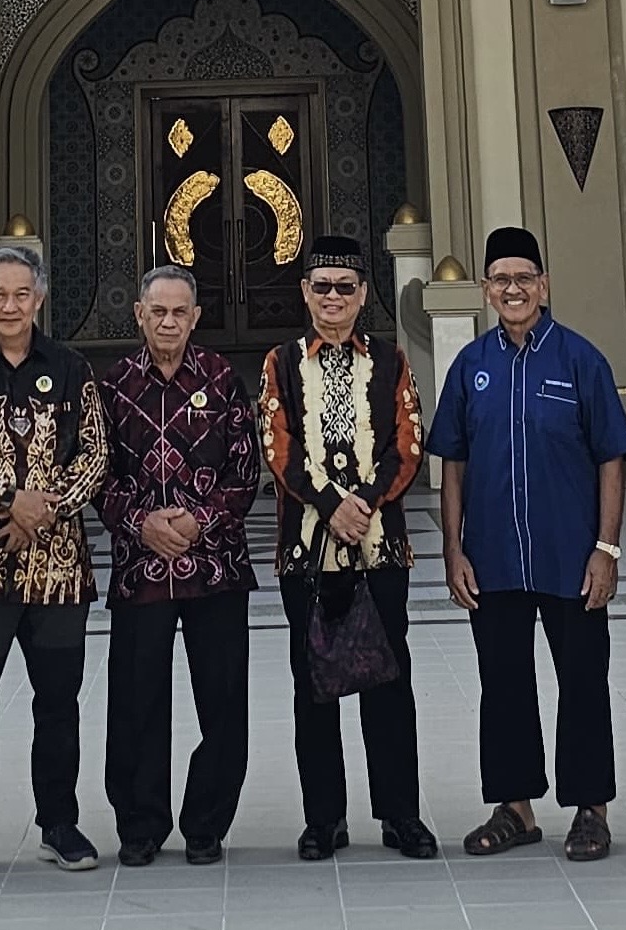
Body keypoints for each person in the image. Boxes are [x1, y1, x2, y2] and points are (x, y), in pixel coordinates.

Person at [434, 226, 626, 863]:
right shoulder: (471, 366)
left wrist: (606, 548)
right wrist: (453, 550)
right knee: (503, 681)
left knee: (582, 680)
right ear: (487, 290)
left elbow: (612, 458)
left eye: (525, 277)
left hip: (570, 557)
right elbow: (453, 465)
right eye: (501, 279)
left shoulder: (580, 360)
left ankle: (590, 809)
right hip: (493, 559)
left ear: (543, 286)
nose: (513, 288)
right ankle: (515, 808)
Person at [0, 242, 109, 879]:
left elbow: (95, 454)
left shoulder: (71, 366)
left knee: (58, 704)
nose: (10, 305)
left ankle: (58, 823)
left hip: (57, 570)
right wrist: (9, 500)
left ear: (39, 299)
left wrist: (46, 510)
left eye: (22, 294)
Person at [259, 235, 437, 863]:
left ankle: (400, 814)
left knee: (390, 680)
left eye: (345, 287)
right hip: (306, 552)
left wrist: (363, 502)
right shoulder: (280, 362)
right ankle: (324, 819)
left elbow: (409, 441)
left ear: (364, 295)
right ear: (305, 293)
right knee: (314, 683)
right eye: (321, 287)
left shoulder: (391, 360)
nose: (333, 297)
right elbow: (277, 447)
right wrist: (332, 506)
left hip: (380, 547)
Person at [97, 264, 259, 869]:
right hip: (142, 570)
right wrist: (143, 525)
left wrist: (195, 522)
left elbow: (245, 476)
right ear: (139, 314)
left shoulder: (221, 381)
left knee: (222, 699)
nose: (168, 322)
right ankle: (140, 824)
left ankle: (205, 822)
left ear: (196, 316)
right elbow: (98, 475)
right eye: (157, 311)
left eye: (179, 312)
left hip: (215, 568)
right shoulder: (111, 386)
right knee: (137, 703)